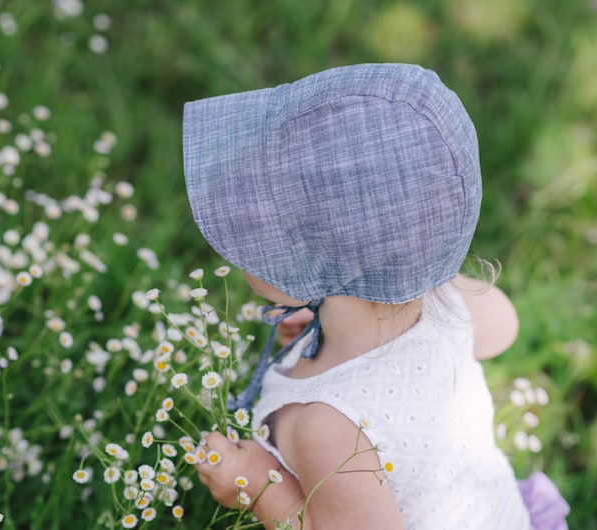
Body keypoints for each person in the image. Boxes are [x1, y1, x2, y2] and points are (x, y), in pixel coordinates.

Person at [182, 63, 569, 529]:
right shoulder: (446, 305)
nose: (243, 244)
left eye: (260, 233)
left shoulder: (329, 426)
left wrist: (258, 483)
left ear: (320, 266)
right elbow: (503, 328)